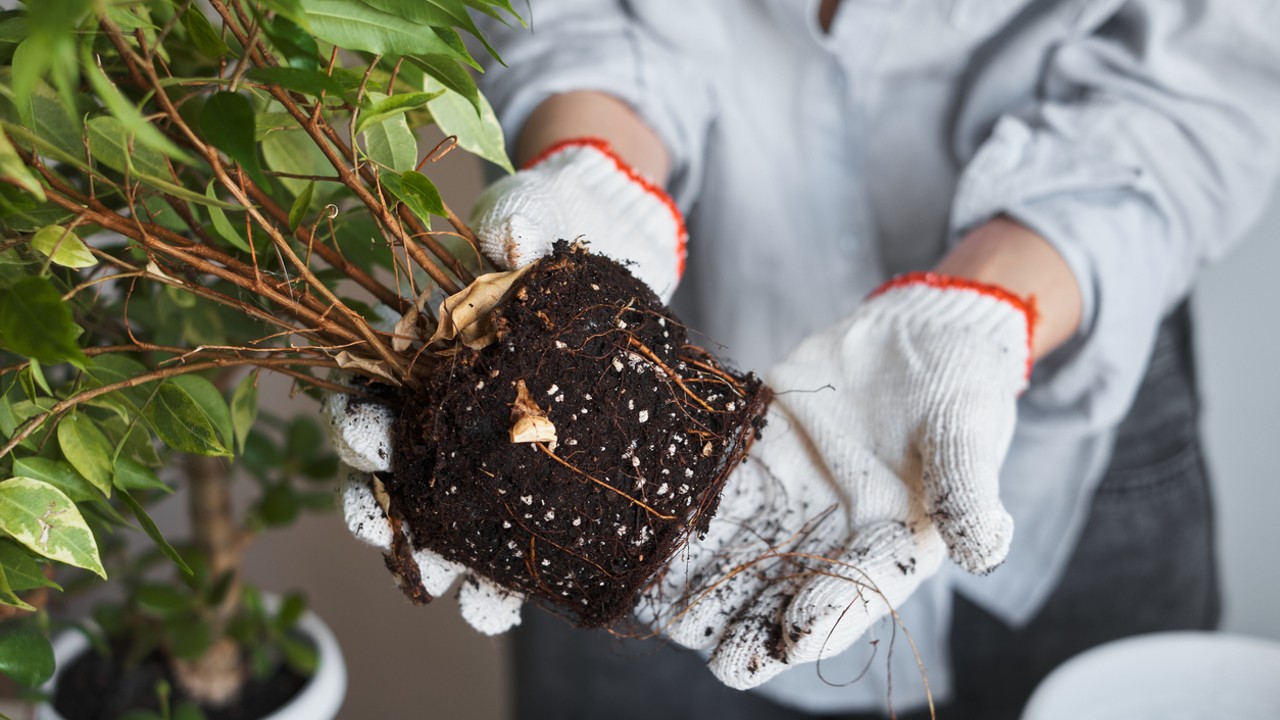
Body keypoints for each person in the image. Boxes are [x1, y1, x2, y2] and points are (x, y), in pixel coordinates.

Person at [328, 1, 1280, 718]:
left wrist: (989, 301)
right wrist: (601, 164)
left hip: (1065, 395)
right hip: (634, 454)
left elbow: (1212, 63)